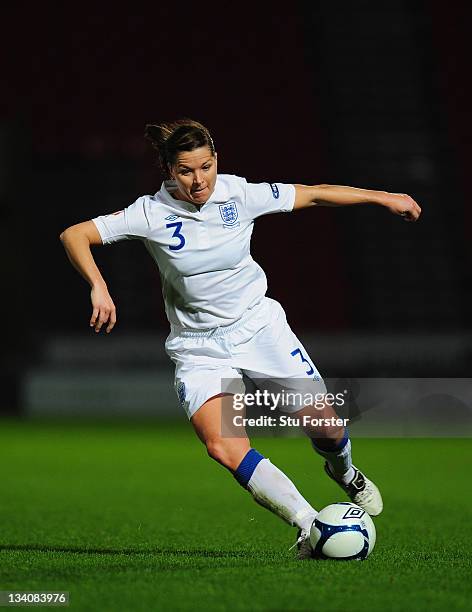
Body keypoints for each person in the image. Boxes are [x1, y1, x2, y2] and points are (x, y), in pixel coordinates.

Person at [60, 119, 421, 558]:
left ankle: (345, 473)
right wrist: (98, 285)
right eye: (187, 171)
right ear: (170, 171)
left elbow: (313, 191)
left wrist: (382, 197)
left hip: (258, 329)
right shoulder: (149, 212)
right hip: (200, 347)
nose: (199, 180)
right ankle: (310, 526)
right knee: (223, 445)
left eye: (206, 166)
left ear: (217, 160)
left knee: (327, 425)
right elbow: (75, 234)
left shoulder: (239, 193)